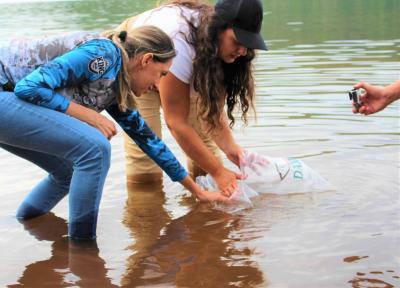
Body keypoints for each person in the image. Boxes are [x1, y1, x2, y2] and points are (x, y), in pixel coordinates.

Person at [0, 26, 227, 240]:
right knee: (95, 149)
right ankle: (83, 249)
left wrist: (197, 191)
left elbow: (149, 142)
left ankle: (24, 224)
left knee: (67, 172)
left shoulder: (116, 86)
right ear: (146, 59)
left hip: (8, 103)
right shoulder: (103, 55)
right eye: (161, 74)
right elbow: (28, 87)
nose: (158, 86)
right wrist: (90, 116)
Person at [112, 0, 268, 196]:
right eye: (238, 42)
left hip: (188, 63)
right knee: (146, 156)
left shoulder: (226, 55)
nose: (242, 51)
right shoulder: (179, 43)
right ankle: (145, 219)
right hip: (141, 62)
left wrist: (233, 150)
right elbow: (176, 122)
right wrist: (219, 172)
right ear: (219, 28)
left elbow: (212, 116)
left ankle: (204, 218)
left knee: (206, 153)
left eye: (248, 44)